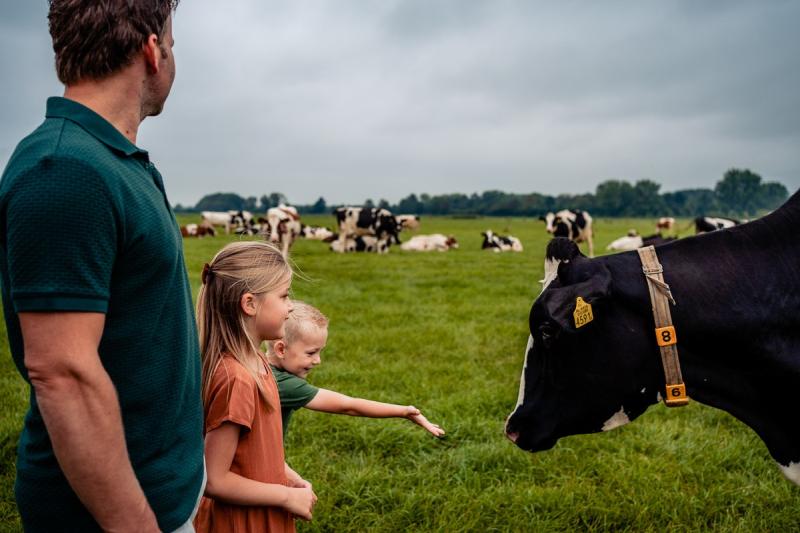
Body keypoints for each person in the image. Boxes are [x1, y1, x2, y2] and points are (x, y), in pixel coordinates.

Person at [0, 1, 204, 532]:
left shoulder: (117, 162)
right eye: (174, 44)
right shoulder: (66, 170)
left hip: (162, 486)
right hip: (112, 513)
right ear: (152, 51)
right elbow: (61, 372)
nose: (173, 55)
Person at [193, 241, 317, 533]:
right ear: (249, 304)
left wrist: (289, 478)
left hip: (262, 508)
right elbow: (215, 479)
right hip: (239, 521)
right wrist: (286, 496)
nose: (290, 307)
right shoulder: (236, 378)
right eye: (285, 296)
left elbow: (252, 454)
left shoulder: (258, 361)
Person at [267, 301, 446, 439]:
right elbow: (348, 406)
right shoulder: (284, 384)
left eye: (320, 351)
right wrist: (404, 411)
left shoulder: (259, 364)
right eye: (311, 353)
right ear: (281, 350)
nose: (318, 361)